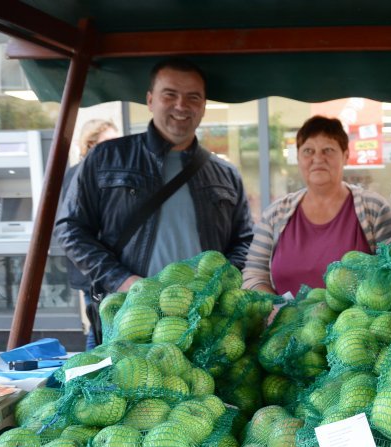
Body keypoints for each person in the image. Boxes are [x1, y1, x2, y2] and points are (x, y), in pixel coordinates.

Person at [56, 58, 254, 302]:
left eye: (193, 97)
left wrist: (219, 284)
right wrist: (120, 280)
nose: (181, 105)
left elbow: (245, 241)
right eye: (170, 95)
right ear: (150, 100)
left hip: (205, 314)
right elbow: (70, 229)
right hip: (128, 314)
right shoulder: (106, 158)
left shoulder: (226, 174)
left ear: (203, 106)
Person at [242, 115, 391, 295]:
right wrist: (272, 309)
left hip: (356, 322)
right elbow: (254, 274)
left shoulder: (374, 209)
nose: (318, 158)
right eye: (308, 151)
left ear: (346, 156)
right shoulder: (276, 213)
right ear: (298, 157)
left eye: (328, 150)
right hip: (282, 322)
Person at [59, 118, 119, 349]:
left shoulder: (107, 174)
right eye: (109, 143)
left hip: (106, 271)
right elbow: (72, 230)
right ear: (91, 144)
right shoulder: (80, 175)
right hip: (95, 273)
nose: (117, 148)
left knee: (106, 329)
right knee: (99, 330)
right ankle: (88, 381)